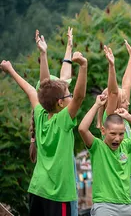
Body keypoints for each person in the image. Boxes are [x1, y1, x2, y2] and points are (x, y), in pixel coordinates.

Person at [1, 31, 87, 215]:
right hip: (57, 196)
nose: (71, 95)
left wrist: (12, 70)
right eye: (68, 95)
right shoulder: (63, 121)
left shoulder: (40, 114)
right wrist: (84, 67)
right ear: (60, 103)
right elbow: (79, 97)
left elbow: (35, 89)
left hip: (37, 189)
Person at [78, 94, 131, 216]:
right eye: (113, 133)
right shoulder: (97, 147)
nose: (117, 138)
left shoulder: (126, 146)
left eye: (121, 134)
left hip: (126, 205)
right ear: (103, 131)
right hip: (104, 206)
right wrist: (97, 105)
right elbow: (82, 129)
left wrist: (128, 116)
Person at [96, 40, 131, 204]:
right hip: (118, 175)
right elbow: (114, 92)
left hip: (130, 172)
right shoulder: (111, 118)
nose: (128, 103)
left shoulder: (123, 118)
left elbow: (126, 85)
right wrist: (111, 66)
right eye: (124, 100)